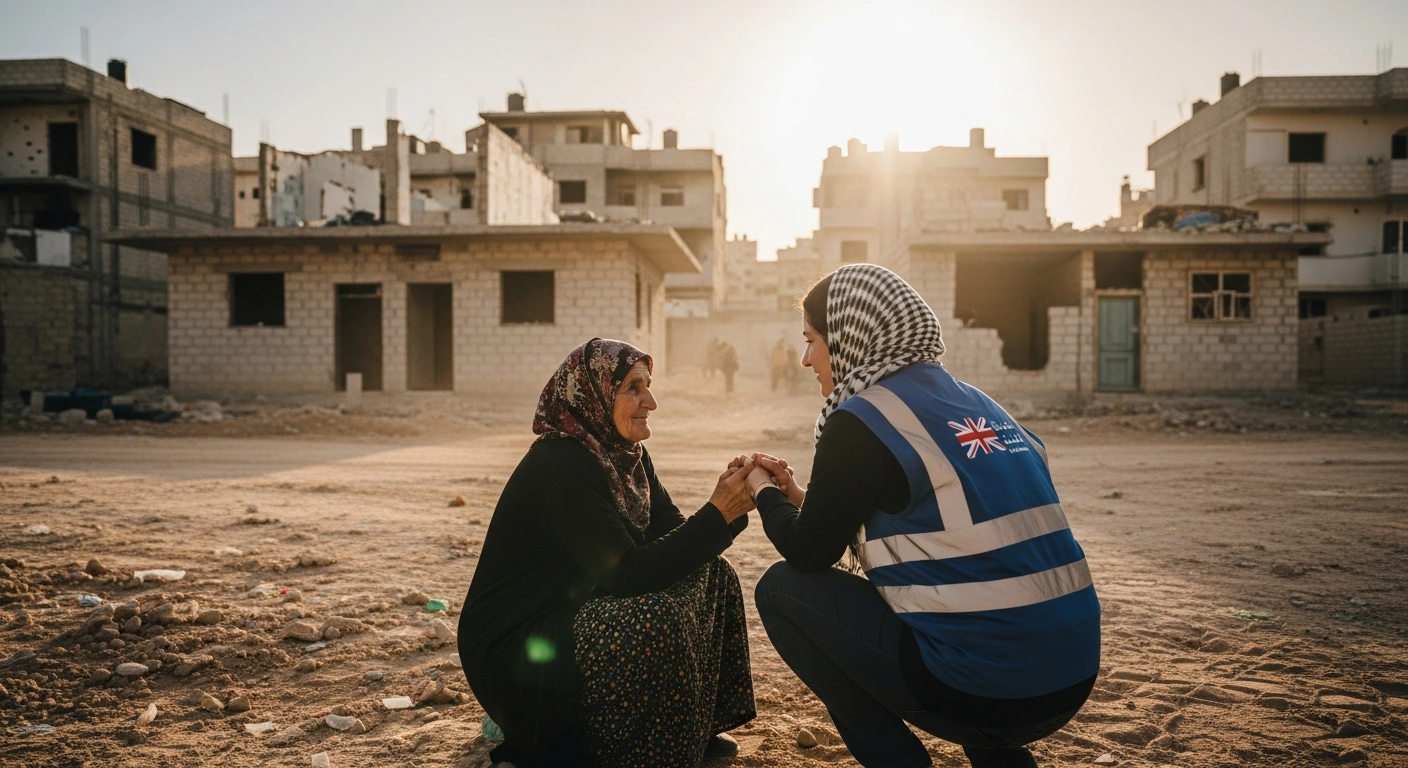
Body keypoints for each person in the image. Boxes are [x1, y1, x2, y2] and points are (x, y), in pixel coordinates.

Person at [741, 265, 1100, 768]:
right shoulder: (979, 404)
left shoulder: (864, 418)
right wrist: (801, 495)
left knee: (779, 590)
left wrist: (762, 491)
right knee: (971, 602)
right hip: (1070, 674)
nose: (805, 359)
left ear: (850, 338)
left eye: (812, 340)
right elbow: (932, 523)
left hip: (992, 696)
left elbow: (808, 551)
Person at [459, 338, 757, 767]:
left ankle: (696, 729)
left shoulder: (625, 453)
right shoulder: (563, 467)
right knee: (653, 619)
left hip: (575, 604)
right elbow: (629, 572)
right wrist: (717, 514)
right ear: (594, 394)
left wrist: (728, 506)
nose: (650, 401)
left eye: (648, 385)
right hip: (520, 645)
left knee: (715, 573)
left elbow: (672, 532)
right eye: (633, 387)